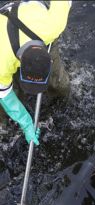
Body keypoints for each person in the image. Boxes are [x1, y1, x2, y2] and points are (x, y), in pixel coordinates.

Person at [0, 0, 72, 145]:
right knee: (4, 104)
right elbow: (4, 93)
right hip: (5, 32)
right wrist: (26, 123)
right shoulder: (2, 62)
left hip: (41, 31)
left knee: (59, 85)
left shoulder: (54, 26)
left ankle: (62, 97)